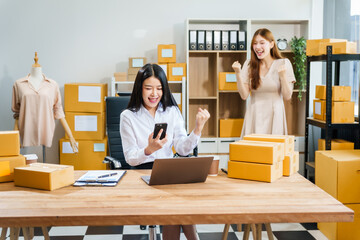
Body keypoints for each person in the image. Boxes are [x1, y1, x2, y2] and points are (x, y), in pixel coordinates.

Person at [120, 63, 210, 240]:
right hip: (142, 172)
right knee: (177, 204)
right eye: (148, 88)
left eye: (159, 88)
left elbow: (183, 149)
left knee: (179, 202)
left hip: (168, 172)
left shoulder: (171, 111)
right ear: (140, 88)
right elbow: (130, 158)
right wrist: (148, 150)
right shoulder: (128, 116)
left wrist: (198, 129)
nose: (154, 94)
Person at [232, 28, 296, 139]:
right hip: (254, 115)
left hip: (275, 116)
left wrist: (282, 76)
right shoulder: (249, 65)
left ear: (271, 44)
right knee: (253, 153)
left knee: (273, 152)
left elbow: (287, 96)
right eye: (255, 44)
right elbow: (244, 95)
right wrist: (237, 73)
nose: (258, 47)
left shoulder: (283, 63)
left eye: (262, 43)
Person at [12, 52, 78, 153]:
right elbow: (17, 114)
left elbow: (59, 111)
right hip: (26, 134)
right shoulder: (19, 84)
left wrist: (71, 137)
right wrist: (15, 137)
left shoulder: (52, 85)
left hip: (45, 132)